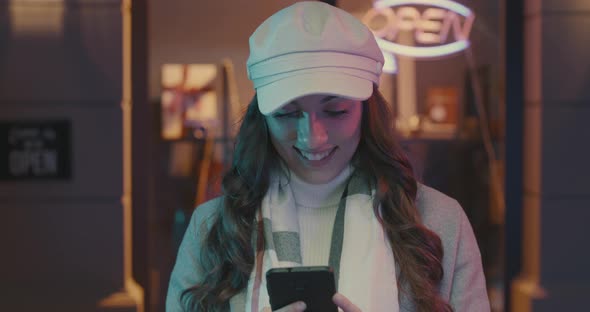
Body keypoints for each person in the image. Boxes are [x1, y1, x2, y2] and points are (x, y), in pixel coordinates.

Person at [166, 1, 490, 311]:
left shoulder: (438, 222)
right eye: (288, 114)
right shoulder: (213, 228)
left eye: (335, 111)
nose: (312, 136)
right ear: (262, 118)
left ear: (367, 111)